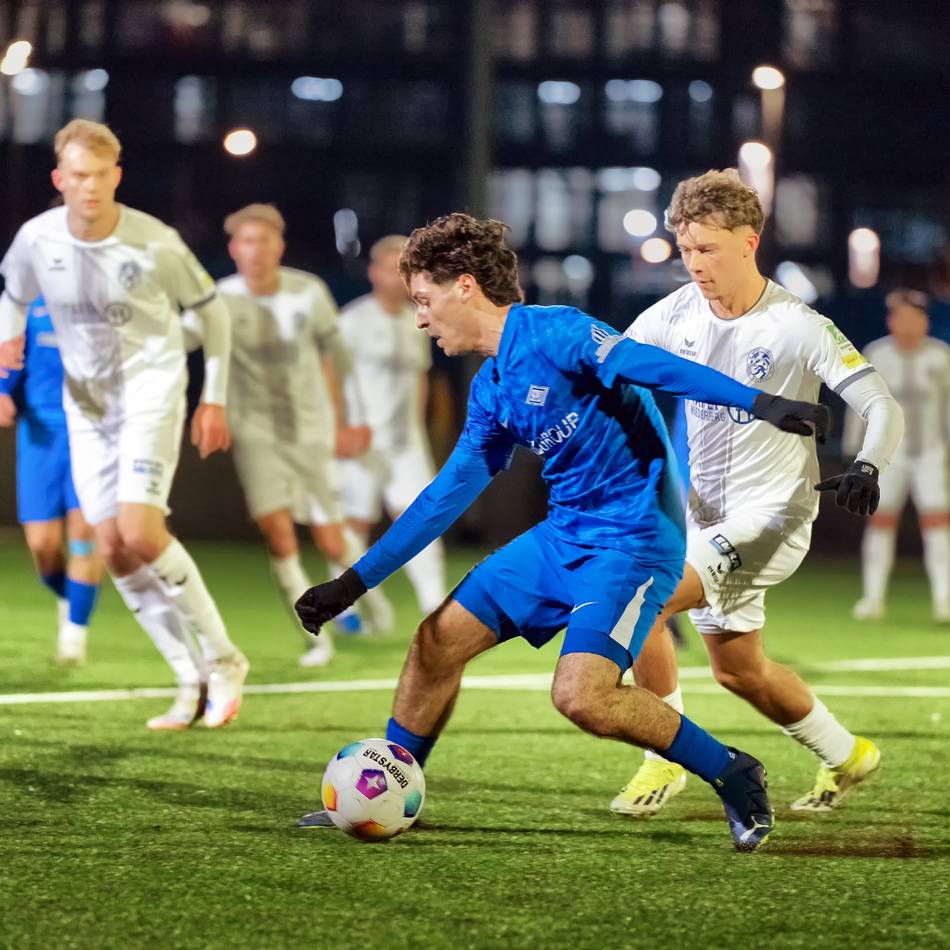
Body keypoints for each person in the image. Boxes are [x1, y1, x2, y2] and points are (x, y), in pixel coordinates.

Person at [294, 212, 833, 851]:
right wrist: (353, 582)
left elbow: (646, 364)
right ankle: (387, 787)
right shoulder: (492, 387)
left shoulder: (557, 331)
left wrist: (761, 403)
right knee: (435, 642)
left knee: (583, 696)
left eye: (424, 300)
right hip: (561, 539)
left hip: (632, 546)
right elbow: (442, 498)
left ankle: (732, 771)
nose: (419, 318)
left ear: (465, 286)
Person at [611, 169, 904, 819]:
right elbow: (610, 371)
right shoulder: (674, 315)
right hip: (705, 519)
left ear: (750, 242)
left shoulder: (797, 325)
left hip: (773, 518)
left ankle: (663, 758)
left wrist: (868, 464)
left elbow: (880, 404)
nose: (695, 264)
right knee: (738, 670)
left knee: (644, 598)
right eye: (686, 250)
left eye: (708, 249)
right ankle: (849, 755)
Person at [0, 119, 248, 730]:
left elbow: (212, 313)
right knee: (110, 548)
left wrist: (212, 398)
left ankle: (224, 659)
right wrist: (7, 336)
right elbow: (12, 292)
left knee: (138, 530)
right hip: (85, 408)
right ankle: (187, 679)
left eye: (101, 176)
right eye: (78, 176)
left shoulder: (153, 241)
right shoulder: (37, 239)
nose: (89, 188)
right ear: (60, 179)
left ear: (117, 176)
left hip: (151, 392)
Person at [186, 203, 393, 669]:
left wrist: (348, 418)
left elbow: (338, 359)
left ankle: (373, 604)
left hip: (311, 429)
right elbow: (181, 338)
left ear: (279, 245)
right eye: (247, 241)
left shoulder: (308, 292)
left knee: (331, 537)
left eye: (265, 241)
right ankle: (315, 635)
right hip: (255, 432)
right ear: (233, 249)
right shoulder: (220, 298)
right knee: (278, 536)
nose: (256, 251)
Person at [339, 235, 447, 615]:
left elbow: (421, 378)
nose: (400, 277)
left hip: (405, 444)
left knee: (421, 518)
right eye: (391, 267)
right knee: (354, 522)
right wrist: (341, 427)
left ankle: (434, 605)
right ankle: (348, 608)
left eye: (407, 269)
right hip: (361, 438)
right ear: (373, 272)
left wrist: (418, 428)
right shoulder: (353, 320)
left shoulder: (417, 321)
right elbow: (331, 377)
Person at [0, 296, 102, 664]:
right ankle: (69, 595)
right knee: (43, 545)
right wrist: (2, 393)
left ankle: (75, 633)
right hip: (40, 435)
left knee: (83, 536)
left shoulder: (100, 299)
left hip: (91, 433)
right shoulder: (25, 304)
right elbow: (9, 355)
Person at [847, 290, 950, 622]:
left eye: (912, 316)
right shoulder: (877, 353)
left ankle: (944, 600)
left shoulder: (940, 356)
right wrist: (856, 450)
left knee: (937, 523)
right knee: (880, 520)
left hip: (931, 453)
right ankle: (873, 598)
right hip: (888, 455)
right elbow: (859, 404)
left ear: (924, 320)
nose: (904, 323)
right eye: (898, 316)